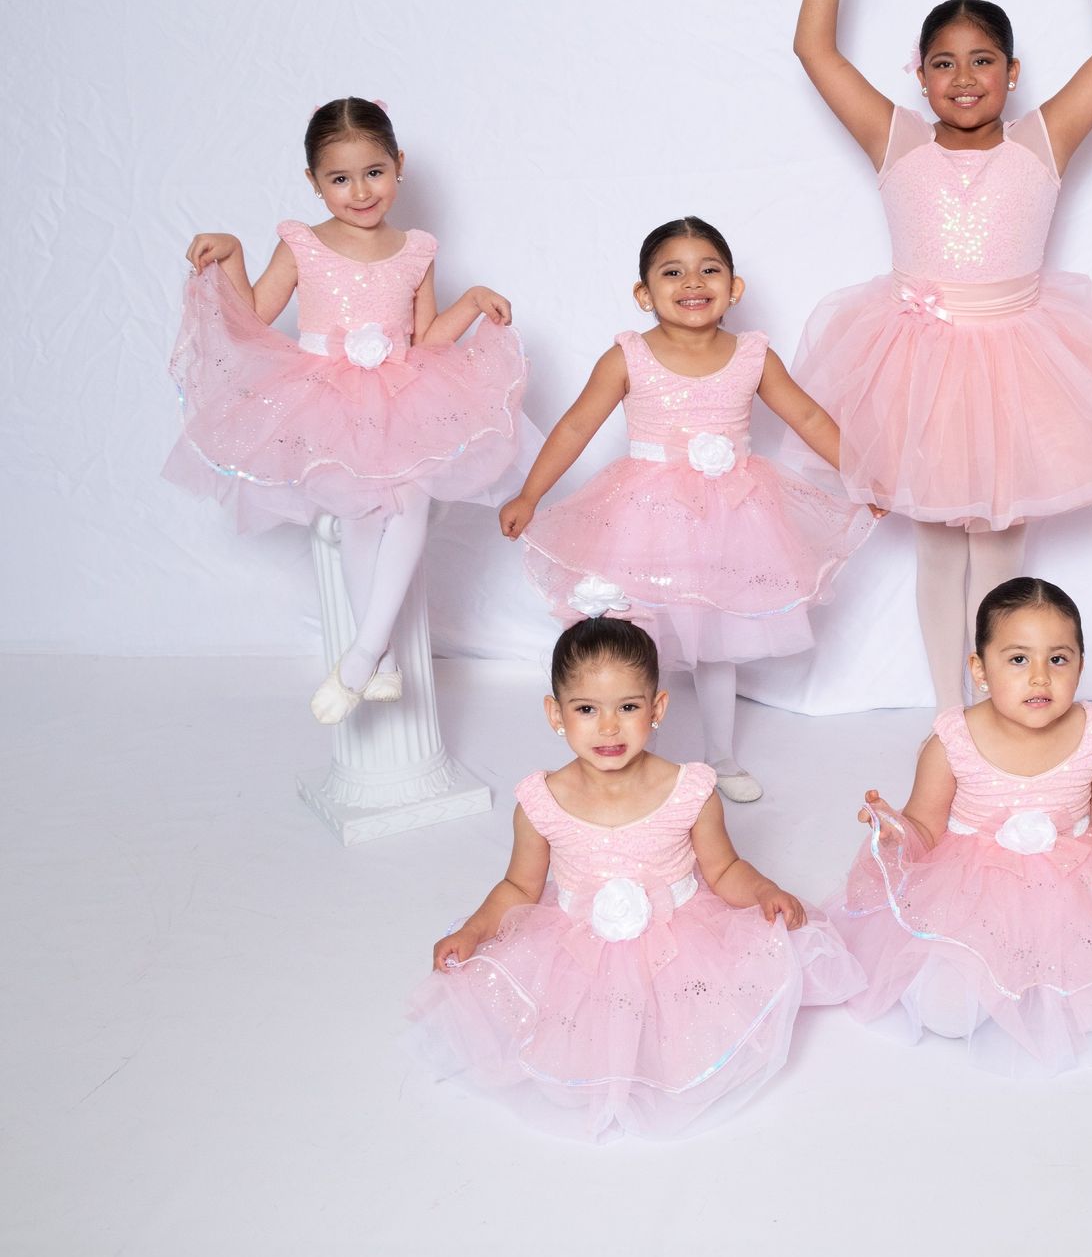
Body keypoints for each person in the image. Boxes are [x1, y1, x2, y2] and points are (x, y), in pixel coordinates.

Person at [789, 0, 1092, 707]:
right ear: (919, 73)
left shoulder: (1044, 139)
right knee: (937, 544)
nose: (963, 79)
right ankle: (948, 713)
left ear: (1011, 71)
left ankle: (1001, 705)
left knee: (1001, 549)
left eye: (981, 61)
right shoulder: (895, 139)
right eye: (943, 62)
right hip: (917, 365)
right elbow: (814, 50)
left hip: (1016, 362)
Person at [409, 618, 863, 1141]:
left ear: (658, 708)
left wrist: (763, 891)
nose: (608, 728)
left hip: (681, 940)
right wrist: (474, 930)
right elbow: (518, 889)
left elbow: (724, 869)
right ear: (555, 714)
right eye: (586, 709)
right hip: (577, 945)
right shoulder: (540, 803)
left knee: (685, 1026)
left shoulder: (689, 790)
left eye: (627, 707)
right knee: (576, 1043)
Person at [167, 98, 525, 723]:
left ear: (398, 166)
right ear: (313, 182)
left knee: (408, 500)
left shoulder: (416, 249)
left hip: (394, 391)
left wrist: (469, 303)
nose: (360, 192)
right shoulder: (303, 243)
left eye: (374, 172)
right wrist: (232, 254)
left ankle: (362, 654)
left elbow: (426, 339)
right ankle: (380, 660)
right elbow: (254, 316)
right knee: (358, 516)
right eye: (339, 178)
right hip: (325, 394)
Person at [500, 216, 874, 803]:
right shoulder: (628, 356)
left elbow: (806, 417)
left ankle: (720, 757)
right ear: (644, 293)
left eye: (709, 270)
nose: (692, 282)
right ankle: (625, 757)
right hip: (644, 519)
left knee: (716, 643)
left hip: (732, 518)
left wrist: (864, 474)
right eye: (672, 272)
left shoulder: (753, 356)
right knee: (630, 637)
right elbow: (576, 424)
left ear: (734, 287)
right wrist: (531, 493)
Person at [831, 578, 1092, 1075]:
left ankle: (1057, 984)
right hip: (973, 892)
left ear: (1080, 666)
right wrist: (894, 832)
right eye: (1018, 660)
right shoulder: (952, 741)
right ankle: (990, 986)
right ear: (980, 668)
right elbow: (925, 827)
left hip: (1076, 890)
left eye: (1057, 660)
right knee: (947, 1013)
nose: (1039, 678)